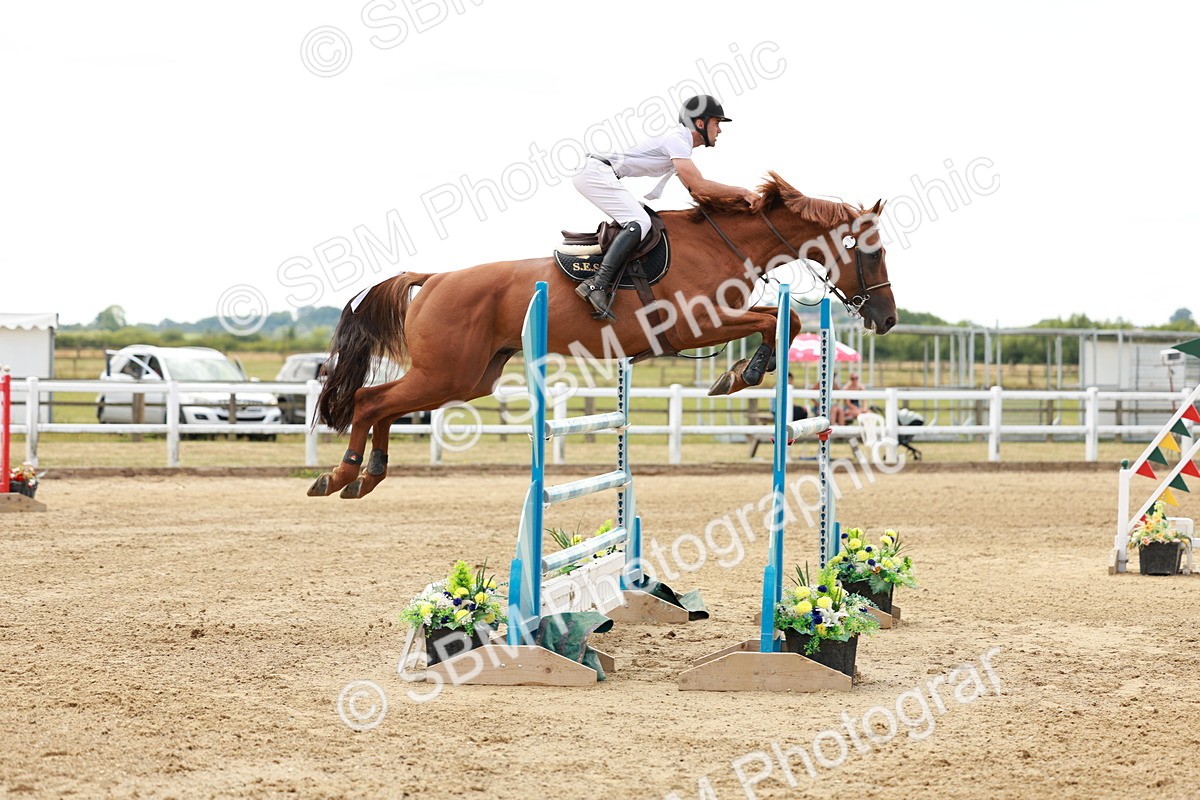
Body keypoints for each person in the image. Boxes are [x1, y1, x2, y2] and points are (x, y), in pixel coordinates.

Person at [572, 94, 759, 320]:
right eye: (717, 123)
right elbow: (698, 186)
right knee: (640, 222)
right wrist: (743, 193)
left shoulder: (679, 143)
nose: (720, 130)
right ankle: (597, 284)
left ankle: (602, 281)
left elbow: (695, 192)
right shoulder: (676, 140)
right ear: (700, 123)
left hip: (598, 172)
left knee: (640, 221)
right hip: (595, 172)